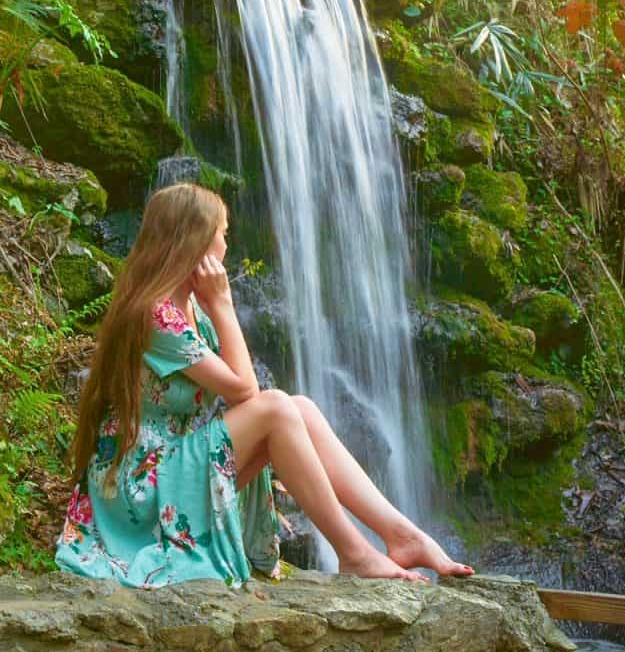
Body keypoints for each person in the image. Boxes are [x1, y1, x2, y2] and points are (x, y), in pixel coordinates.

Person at [55, 182, 474, 588]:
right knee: (275, 407)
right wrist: (223, 304)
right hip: (140, 487)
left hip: (173, 461)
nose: (225, 245)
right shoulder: (156, 314)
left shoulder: (188, 310)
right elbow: (245, 392)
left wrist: (212, 306)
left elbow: (239, 389)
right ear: (197, 244)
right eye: (222, 235)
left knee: (301, 408)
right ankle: (356, 553)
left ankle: (399, 533)